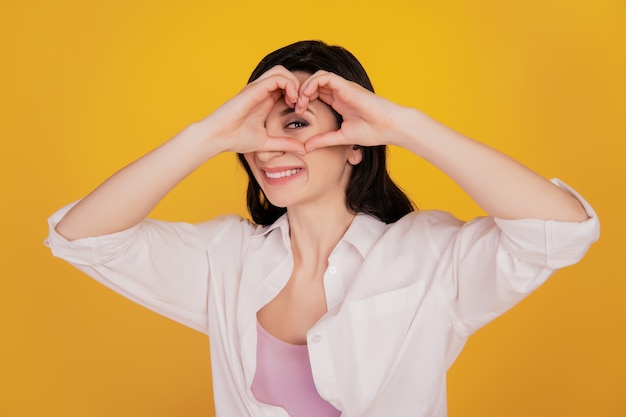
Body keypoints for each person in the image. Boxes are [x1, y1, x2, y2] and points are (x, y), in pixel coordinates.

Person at [46, 40, 599, 417]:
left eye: (293, 125)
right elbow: (82, 237)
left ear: (355, 142)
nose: (269, 149)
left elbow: (562, 229)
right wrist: (209, 133)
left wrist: (403, 126)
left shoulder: (427, 257)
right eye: (256, 132)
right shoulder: (226, 258)